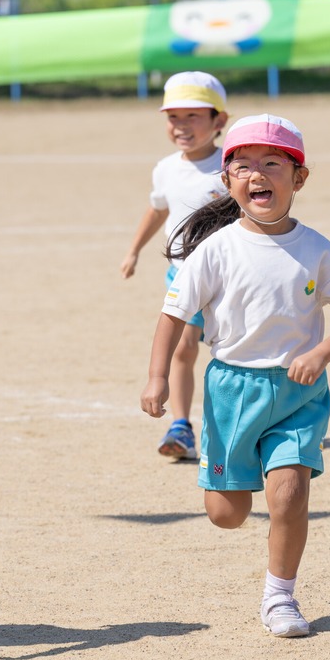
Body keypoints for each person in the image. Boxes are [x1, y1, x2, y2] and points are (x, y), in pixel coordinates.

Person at [140, 114, 330, 637]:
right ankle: (232, 490)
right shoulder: (214, 250)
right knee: (226, 513)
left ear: (299, 178)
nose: (257, 175)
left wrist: (323, 353)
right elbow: (172, 316)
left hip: (298, 392)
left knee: (288, 493)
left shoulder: (316, 248)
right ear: (228, 182)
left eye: (272, 164)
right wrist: (157, 377)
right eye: (242, 166)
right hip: (230, 390)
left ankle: (280, 596)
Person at [122, 71, 230, 462]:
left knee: (236, 348)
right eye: (173, 118)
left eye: (193, 117)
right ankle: (182, 426)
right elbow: (158, 208)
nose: (181, 127)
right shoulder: (166, 168)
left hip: (231, 277)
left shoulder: (231, 165)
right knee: (184, 347)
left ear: (219, 120)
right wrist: (134, 249)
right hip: (183, 275)